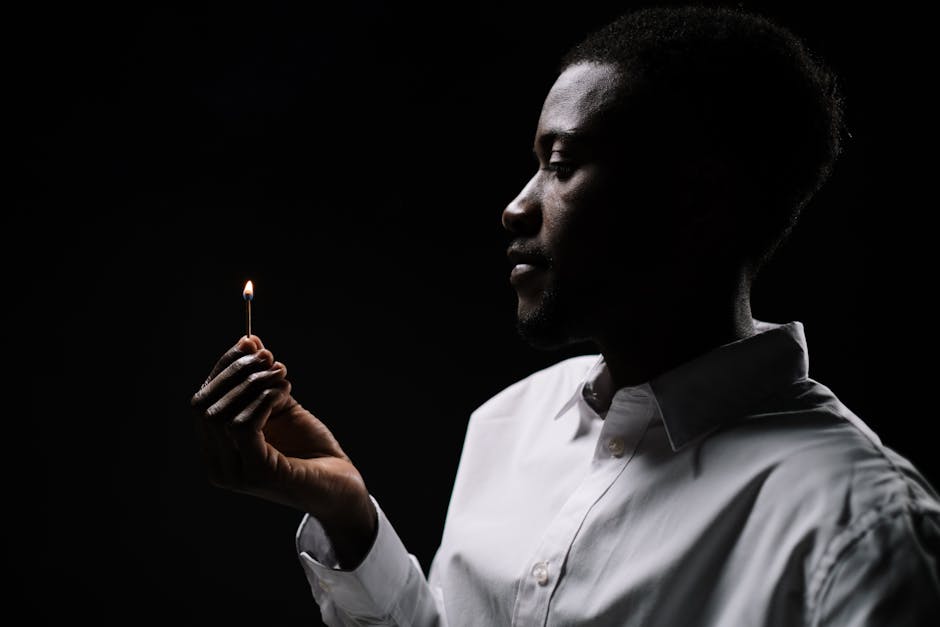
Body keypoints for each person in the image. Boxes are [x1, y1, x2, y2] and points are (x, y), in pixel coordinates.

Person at [190, 5, 940, 626]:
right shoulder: (508, 425)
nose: (516, 206)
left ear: (698, 199)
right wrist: (348, 517)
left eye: (561, 163)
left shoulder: (858, 527)